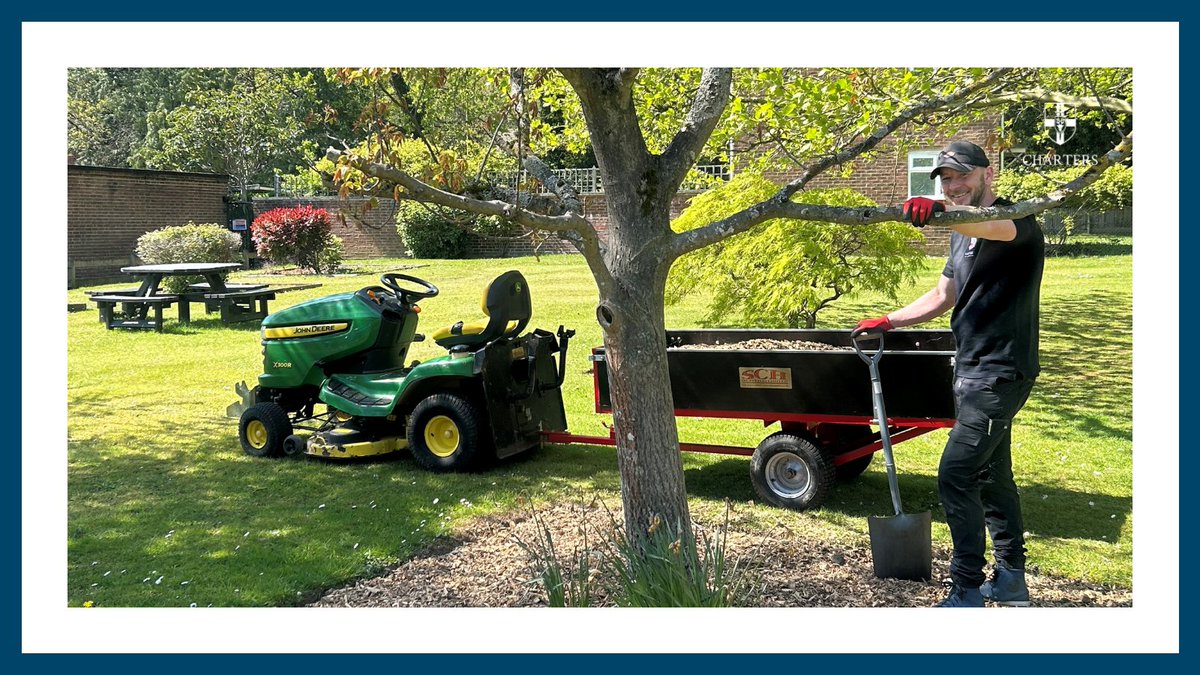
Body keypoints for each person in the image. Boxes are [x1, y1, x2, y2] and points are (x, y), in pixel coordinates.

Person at [852, 140, 1044, 608]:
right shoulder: (961, 233)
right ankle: (1011, 581)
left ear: (988, 173)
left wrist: (939, 209)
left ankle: (966, 591)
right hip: (973, 366)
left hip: (1000, 372)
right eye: (945, 179)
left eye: (961, 176)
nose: (954, 185)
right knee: (993, 477)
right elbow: (944, 295)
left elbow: (993, 226)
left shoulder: (1017, 221)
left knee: (956, 475)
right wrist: (889, 321)